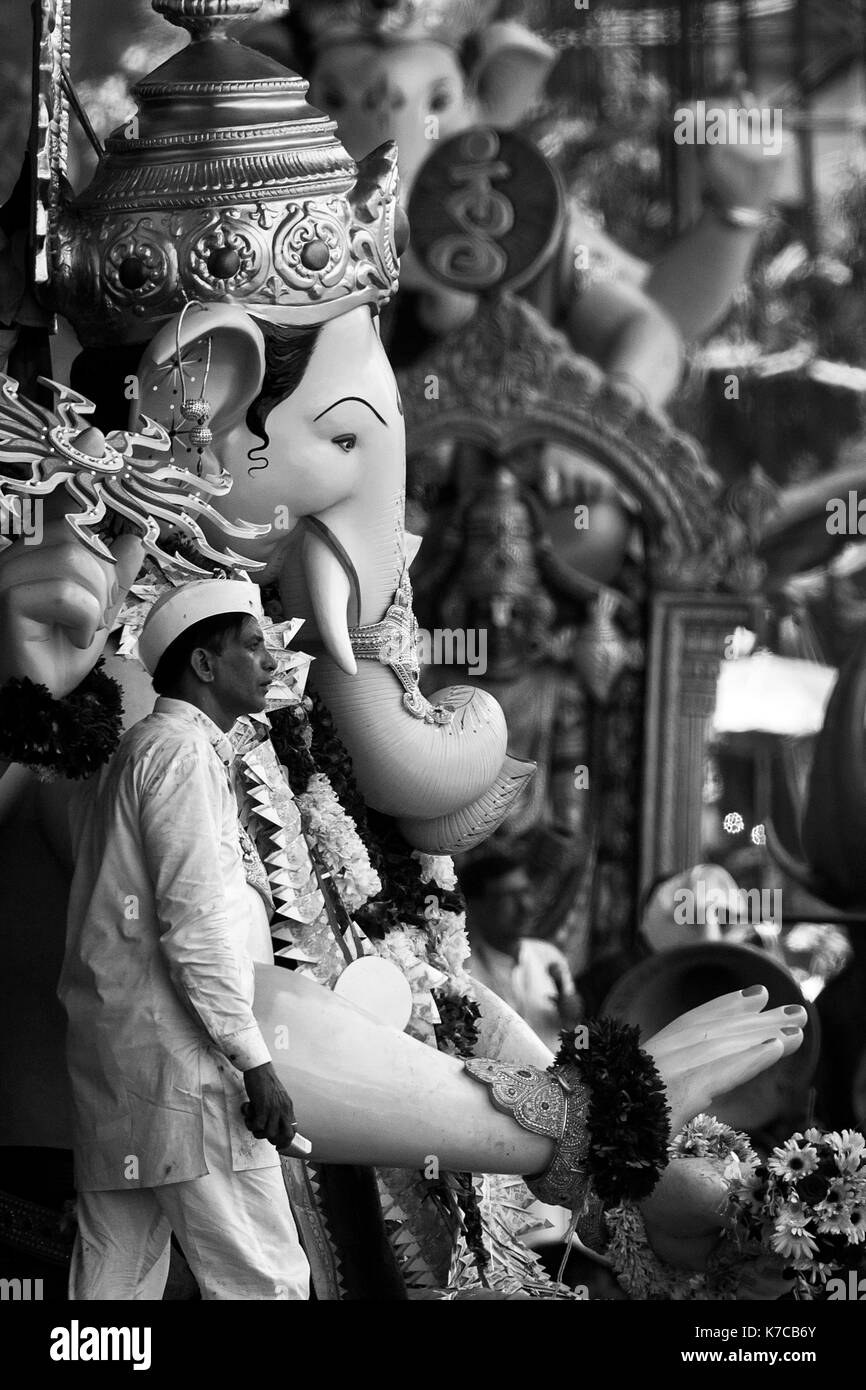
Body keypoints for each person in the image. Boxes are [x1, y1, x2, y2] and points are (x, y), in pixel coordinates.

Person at [58, 578, 311, 1301]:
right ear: (204, 664)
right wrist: (255, 1062)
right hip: (187, 1076)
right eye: (255, 646)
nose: (271, 662)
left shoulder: (145, 749)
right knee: (266, 1282)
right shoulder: (181, 756)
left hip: (125, 1071)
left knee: (114, 1286)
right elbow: (197, 929)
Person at [460, 854, 583, 1053]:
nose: (525, 906)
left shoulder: (549, 956)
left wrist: (573, 1019)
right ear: (476, 907)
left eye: (526, 891)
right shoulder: (462, 969)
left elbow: (575, 1033)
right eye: (508, 897)